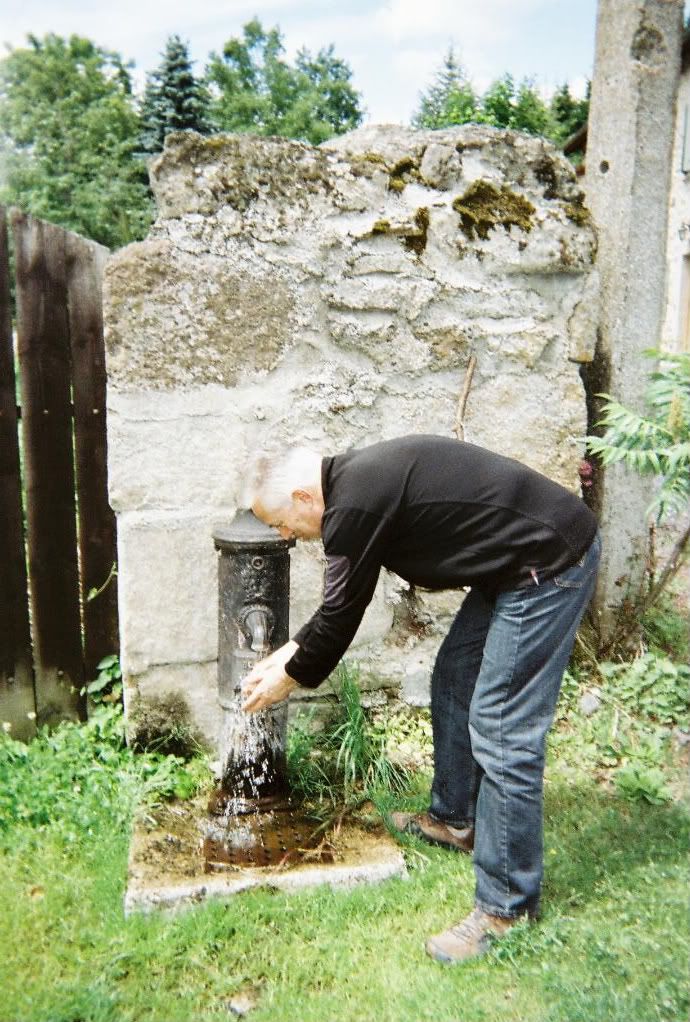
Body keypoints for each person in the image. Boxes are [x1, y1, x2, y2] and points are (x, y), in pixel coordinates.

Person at [242, 435, 600, 964]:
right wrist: (289, 653)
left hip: (547, 563)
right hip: (514, 562)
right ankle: (454, 819)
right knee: (455, 677)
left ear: (303, 498)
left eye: (280, 522)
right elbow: (341, 603)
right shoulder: (352, 488)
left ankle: (505, 910)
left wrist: (290, 675)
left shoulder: (353, 504)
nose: (284, 535)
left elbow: (341, 615)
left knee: (502, 726)